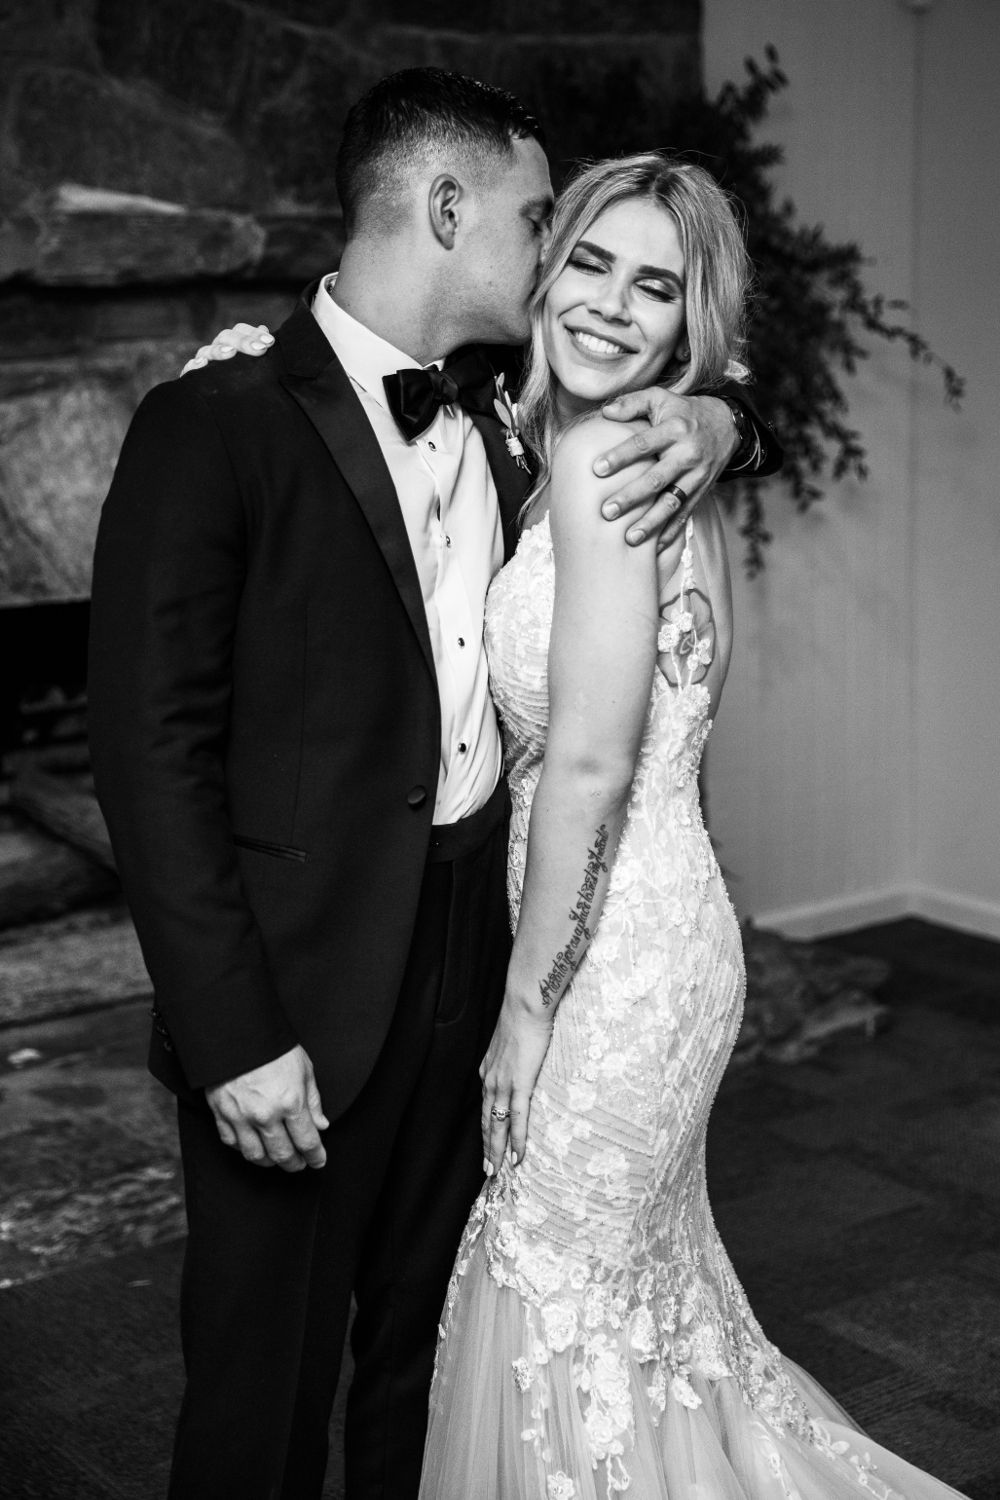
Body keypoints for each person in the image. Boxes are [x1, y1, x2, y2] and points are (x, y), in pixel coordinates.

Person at [88, 70, 779, 1500]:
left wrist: (722, 417)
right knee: (262, 1401)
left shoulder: (524, 424)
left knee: (439, 1364)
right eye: (542, 224)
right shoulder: (216, 422)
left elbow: (669, 400)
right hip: (298, 995)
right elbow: (149, 758)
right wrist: (228, 1033)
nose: (558, 260)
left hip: (485, 962)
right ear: (452, 212)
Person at [412, 153, 969, 1500]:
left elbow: (593, 762)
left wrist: (527, 1010)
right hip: (667, 931)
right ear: (547, 271)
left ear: (688, 325)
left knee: (550, 1288)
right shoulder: (671, 461)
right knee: (629, 1307)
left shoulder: (609, 457)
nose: (610, 304)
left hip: (608, 967)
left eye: (653, 287)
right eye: (591, 264)